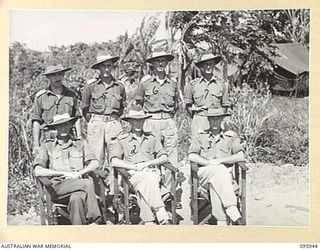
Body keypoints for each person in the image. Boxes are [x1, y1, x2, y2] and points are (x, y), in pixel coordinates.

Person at [33, 113, 101, 225]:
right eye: (60, 125)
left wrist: (79, 173)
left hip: (78, 185)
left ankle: (77, 233)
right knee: (87, 183)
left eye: (66, 124)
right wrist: (64, 173)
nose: (63, 128)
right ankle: (95, 220)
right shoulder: (47, 146)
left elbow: (95, 164)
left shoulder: (80, 144)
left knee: (77, 199)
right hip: (58, 187)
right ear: (55, 128)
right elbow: (38, 171)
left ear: (71, 125)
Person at [110, 106, 172, 225]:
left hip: (150, 173)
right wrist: (134, 167)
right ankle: (162, 214)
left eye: (140, 120)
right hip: (131, 176)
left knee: (146, 182)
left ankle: (149, 221)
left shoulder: (152, 138)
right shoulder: (122, 139)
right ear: (130, 122)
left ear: (144, 121)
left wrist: (148, 163)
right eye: (135, 120)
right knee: (147, 180)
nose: (138, 123)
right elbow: (114, 161)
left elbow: (164, 157)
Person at [134, 50, 179, 196]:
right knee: (151, 155)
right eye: (157, 61)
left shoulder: (173, 82)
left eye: (163, 61)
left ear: (167, 63)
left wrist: (168, 119)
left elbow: (177, 105)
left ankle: (169, 192)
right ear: (152, 64)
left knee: (171, 155)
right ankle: (153, 191)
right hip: (150, 121)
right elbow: (138, 103)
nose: (160, 63)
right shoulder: (145, 82)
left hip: (168, 120)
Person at [188, 107, 244, 225]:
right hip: (204, 176)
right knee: (219, 171)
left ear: (222, 120)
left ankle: (221, 222)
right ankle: (232, 209)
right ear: (208, 120)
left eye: (217, 119)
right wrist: (208, 163)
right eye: (212, 119)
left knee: (216, 181)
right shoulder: (201, 135)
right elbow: (192, 156)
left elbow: (240, 156)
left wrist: (220, 161)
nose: (214, 122)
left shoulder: (230, 136)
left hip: (222, 180)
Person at [81, 53, 126, 174]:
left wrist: (114, 120)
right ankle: (98, 191)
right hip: (96, 123)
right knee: (95, 159)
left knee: (116, 156)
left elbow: (122, 107)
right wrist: (94, 121)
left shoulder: (119, 86)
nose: (106, 69)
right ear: (98, 68)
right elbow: (85, 107)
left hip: (113, 123)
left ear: (112, 67)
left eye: (109, 66)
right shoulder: (91, 86)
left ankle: (114, 190)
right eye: (103, 66)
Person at [32, 64, 81, 157]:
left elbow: (77, 117)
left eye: (60, 74)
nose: (57, 78)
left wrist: (79, 137)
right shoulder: (41, 97)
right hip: (48, 138)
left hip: (67, 137)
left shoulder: (71, 95)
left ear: (63, 75)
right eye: (53, 75)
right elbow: (36, 121)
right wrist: (36, 145)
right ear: (48, 77)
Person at [184, 53, 230, 136]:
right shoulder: (193, 84)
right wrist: (198, 117)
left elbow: (225, 105)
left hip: (216, 121)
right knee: (197, 146)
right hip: (199, 120)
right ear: (202, 67)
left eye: (211, 64)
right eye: (206, 64)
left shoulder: (221, 84)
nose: (208, 67)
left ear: (214, 65)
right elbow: (188, 106)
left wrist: (217, 118)